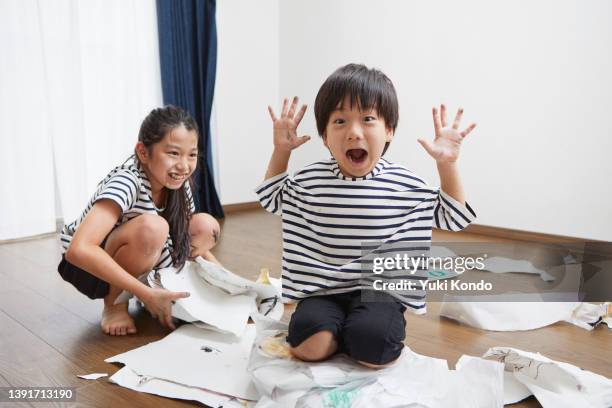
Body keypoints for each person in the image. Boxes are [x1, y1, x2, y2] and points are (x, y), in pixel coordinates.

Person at [256, 63, 477, 367]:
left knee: (372, 346)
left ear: (388, 130)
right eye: (340, 121)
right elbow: (271, 198)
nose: (354, 132)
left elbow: (455, 217)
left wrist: (447, 165)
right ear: (324, 136)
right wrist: (281, 151)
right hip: (322, 290)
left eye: (368, 119)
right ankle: (337, 330)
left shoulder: (403, 183)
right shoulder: (310, 180)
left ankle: (357, 330)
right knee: (310, 347)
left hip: (380, 292)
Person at [58, 106, 221, 336]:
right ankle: (115, 304)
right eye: (173, 153)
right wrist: (146, 294)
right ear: (143, 152)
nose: (184, 166)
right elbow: (79, 250)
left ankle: (151, 290)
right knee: (153, 228)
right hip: (92, 270)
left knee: (206, 225)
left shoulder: (177, 183)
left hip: (144, 257)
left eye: (191, 154)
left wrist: (229, 282)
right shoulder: (126, 181)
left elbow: (183, 238)